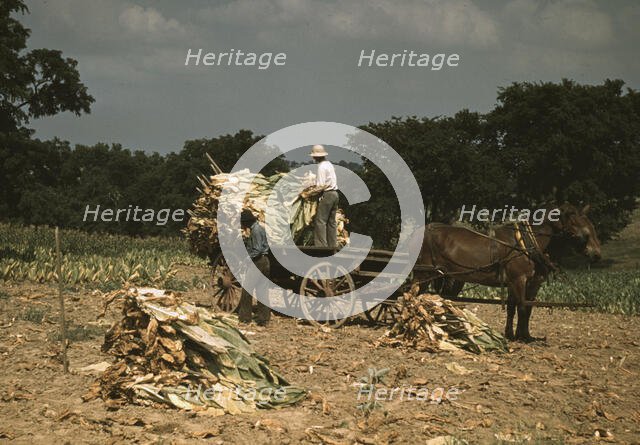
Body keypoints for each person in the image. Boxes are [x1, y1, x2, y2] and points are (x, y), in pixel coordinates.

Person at [238, 209, 271, 326]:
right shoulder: (259, 229)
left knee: (247, 289)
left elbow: (257, 249)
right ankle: (264, 319)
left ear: (246, 222)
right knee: (262, 290)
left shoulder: (256, 230)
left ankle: (245, 318)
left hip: (258, 262)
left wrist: (247, 259)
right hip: (265, 261)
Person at [310, 144, 339, 248]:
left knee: (320, 220)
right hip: (335, 194)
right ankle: (333, 244)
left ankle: (321, 246)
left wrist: (308, 193)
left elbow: (321, 186)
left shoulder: (321, 167)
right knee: (332, 222)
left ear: (316, 156)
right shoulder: (329, 164)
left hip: (327, 194)